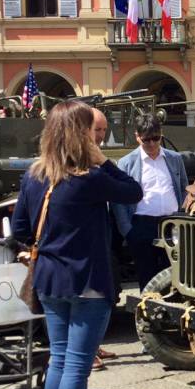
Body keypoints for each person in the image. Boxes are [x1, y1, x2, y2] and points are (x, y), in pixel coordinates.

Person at [12, 100, 141, 389]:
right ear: (79, 135)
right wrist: (103, 160)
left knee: (59, 359)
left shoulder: (34, 175)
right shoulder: (90, 178)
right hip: (87, 281)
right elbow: (132, 191)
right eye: (90, 130)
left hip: (49, 280)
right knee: (77, 368)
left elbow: (20, 229)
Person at [112, 115, 188, 291]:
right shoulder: (126, 163)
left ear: (161, 134)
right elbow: (118, 200)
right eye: (147, 140)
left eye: (156, 138)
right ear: (138, 137)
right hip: (141, 225)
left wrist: (183, 215)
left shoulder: (175, 159)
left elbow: (184, 187)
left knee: (174, 274)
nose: (152, 144)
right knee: (147, 276)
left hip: (172, 224)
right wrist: (127, 230)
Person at [89, 108, 118, 372]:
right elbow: (131, 189)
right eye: (97, 130)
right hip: (83, 248)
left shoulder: (97, 159)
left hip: (103, 237)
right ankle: (87, 353)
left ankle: (94, 346)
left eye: (103, 129)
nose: (101, 135)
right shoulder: (87, 166)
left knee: (106, 296)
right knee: (90, 301)